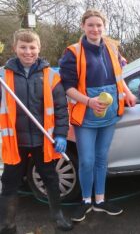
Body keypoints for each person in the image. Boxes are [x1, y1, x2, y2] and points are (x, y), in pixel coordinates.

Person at [59, 9, 136, 222]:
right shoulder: (72, 53)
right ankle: (85, 201)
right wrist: (89, 101)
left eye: (99, 25)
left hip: (109, 113)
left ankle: (100, 201)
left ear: (104, 26)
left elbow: (119, 78)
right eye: (91, 25)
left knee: (102, 159)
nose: (95, 29)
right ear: (83, 26)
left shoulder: (112, 49)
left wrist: (128, 93)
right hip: (85, 114)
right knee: (86, 160)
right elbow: (67, 88)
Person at [0, 29, 73, 233]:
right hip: (15, 142)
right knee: (9, 183)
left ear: (39, 49)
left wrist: (60, 134)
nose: (28, 51)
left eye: (32, 47)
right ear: (15, 48)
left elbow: (60, 108)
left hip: (44, 140)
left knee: (50, 178)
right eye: (23, 47)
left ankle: (57, 217)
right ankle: (7, 224)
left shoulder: (51, 76)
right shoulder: (3, 76)